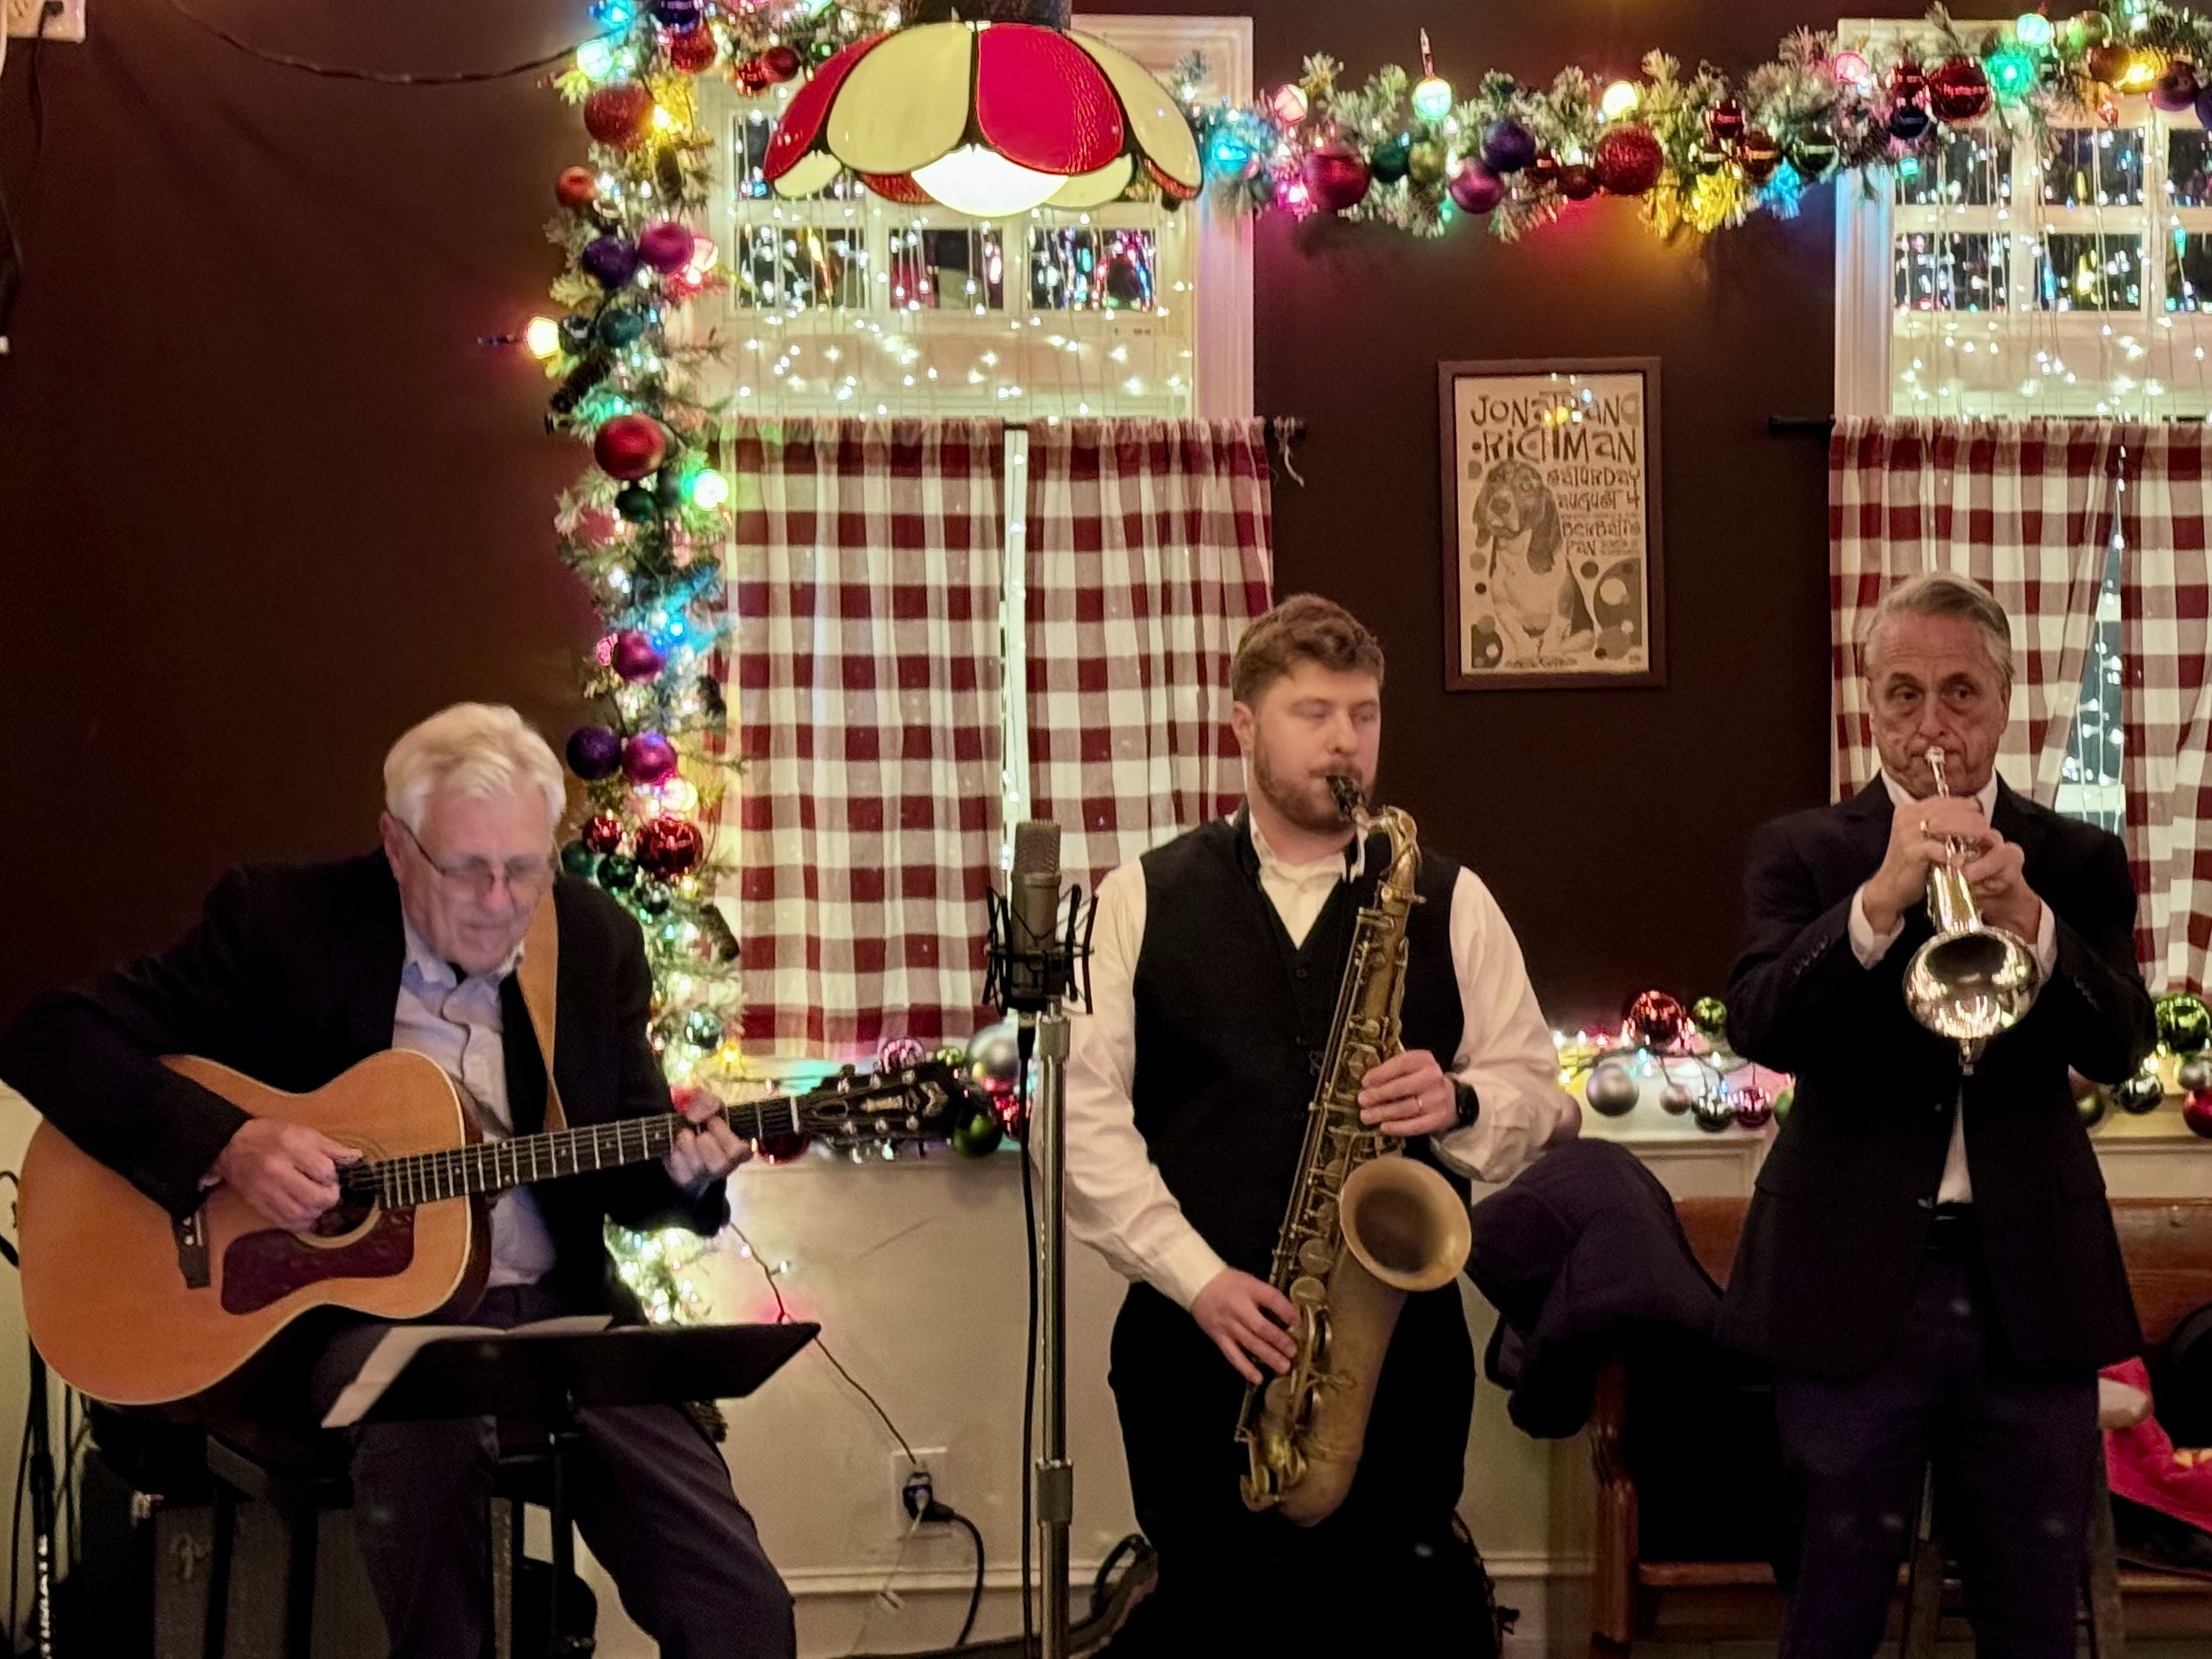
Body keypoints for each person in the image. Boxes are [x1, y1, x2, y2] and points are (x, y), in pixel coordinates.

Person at [0, 703, 796, 1659]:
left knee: (740, 1607)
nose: (499, 900)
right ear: (396, 845)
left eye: (526, 868)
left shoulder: (593, 940)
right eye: (466, 868)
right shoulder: (285, 924)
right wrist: (232, 1143)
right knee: (430, 1422)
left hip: (563, 1323)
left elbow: (630, 1176)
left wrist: (689, 1176)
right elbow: (50, 1036)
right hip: (351, 1328)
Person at [1064, 595, 1579, 1654]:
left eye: (1364, 713)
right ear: (1242, 724)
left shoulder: (1451, 897)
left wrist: (1464, 1099)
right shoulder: (1137, 899)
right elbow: (1081, 1124)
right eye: (1313, 712)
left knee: (1391, 1628)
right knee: (1214, 1629)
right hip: (1192, 1348)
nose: (1346, 740)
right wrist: (1197, 1278)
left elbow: (1542, 1096)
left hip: (1399, 1364)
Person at [1720, 572, 2154, 1659]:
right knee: (1831, 1611)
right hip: (1846, 1286)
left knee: (2030, 1616)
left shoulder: (2074, 859)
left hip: (2029, 1289)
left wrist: (2030, 918)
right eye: (1903, 694)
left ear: (2005, 704)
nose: (1931, 726)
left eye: (1959, 692)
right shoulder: (1805, 851)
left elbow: (2122, 1044)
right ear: (1869, 705)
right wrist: (1878, 901)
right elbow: (1761, 1023)